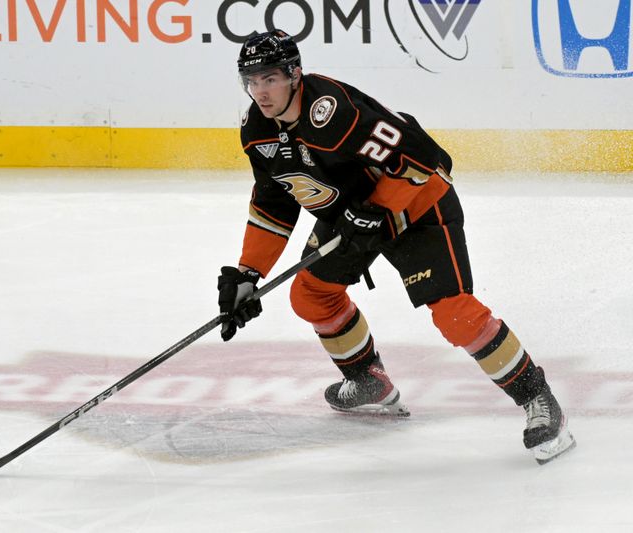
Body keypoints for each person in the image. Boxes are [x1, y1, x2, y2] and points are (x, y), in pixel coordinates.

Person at [215, 29, 576, 464]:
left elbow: (423, 157)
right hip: (353, 214)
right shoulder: (257, 130)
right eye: (251, 81)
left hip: (419, 204)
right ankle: (368, 380)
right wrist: (249, 273)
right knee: (311, 294)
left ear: (294, 74)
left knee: (454, 313)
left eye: (269, 79)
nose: (260, 92)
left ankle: (538, 398)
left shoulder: (332, 113)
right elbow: (274, 200)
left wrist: (378, 208)